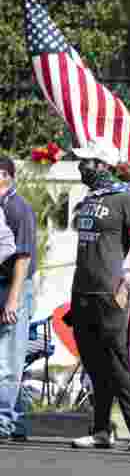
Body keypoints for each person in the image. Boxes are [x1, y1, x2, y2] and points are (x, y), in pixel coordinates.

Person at [66, 138, 130, 450]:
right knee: (93, 362)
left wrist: (128, 285)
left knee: (118, 360)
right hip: (83, 291)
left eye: (87, 161)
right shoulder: (89, 197)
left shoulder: (128, 197)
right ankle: (101, 429)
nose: (81, 166)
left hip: (113, 292)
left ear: (103, 165)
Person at [0, 155, 28, 443]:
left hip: (13, 286)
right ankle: (16, 421)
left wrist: (13, 299)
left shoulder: (18, 208)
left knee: (8, 359)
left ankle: (4, 423)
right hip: (2, 283)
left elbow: (24, 257)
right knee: (5, 358)